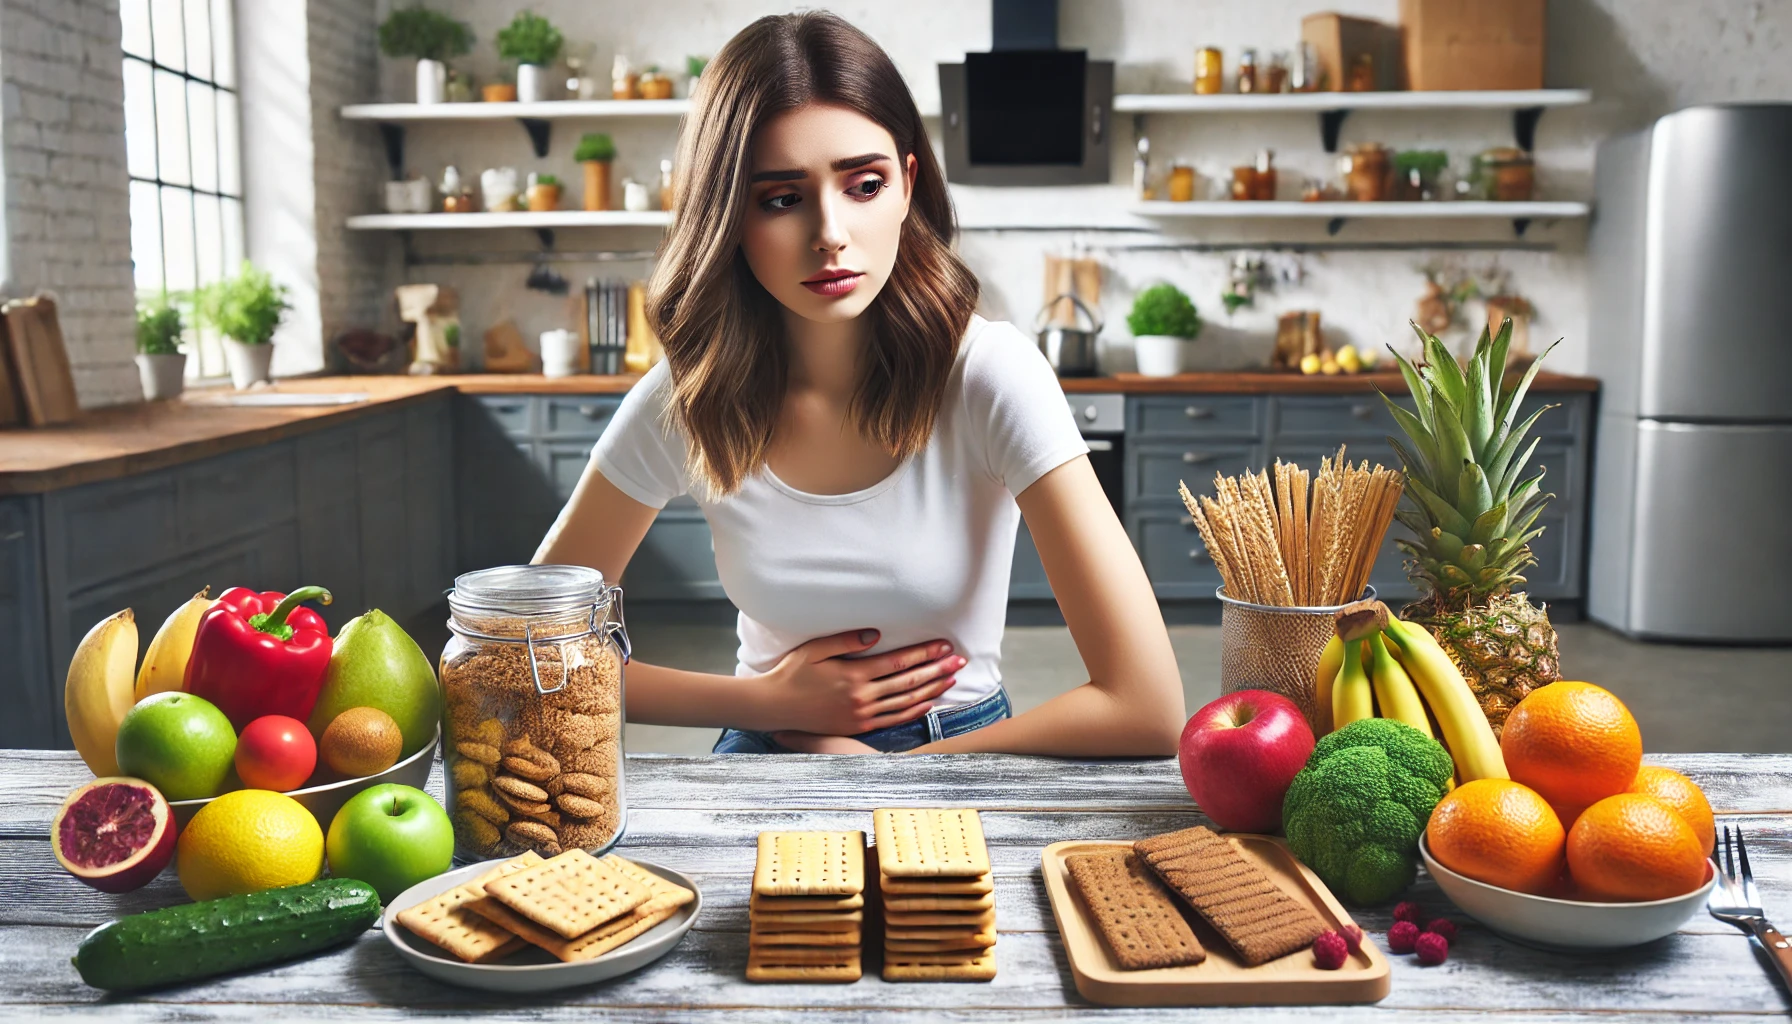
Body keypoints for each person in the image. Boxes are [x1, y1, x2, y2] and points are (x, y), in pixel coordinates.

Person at [535, 12, 1183, 755]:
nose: (830, 231)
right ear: (730, 217)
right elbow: (528, 655)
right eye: (781, 198)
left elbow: (1147, 705)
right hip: (770, 748)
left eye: (863, 184)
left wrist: (879, 779)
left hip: (967, 754)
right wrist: (766, 702)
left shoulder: (989, 375)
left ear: (906, 186)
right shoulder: (689, 396)